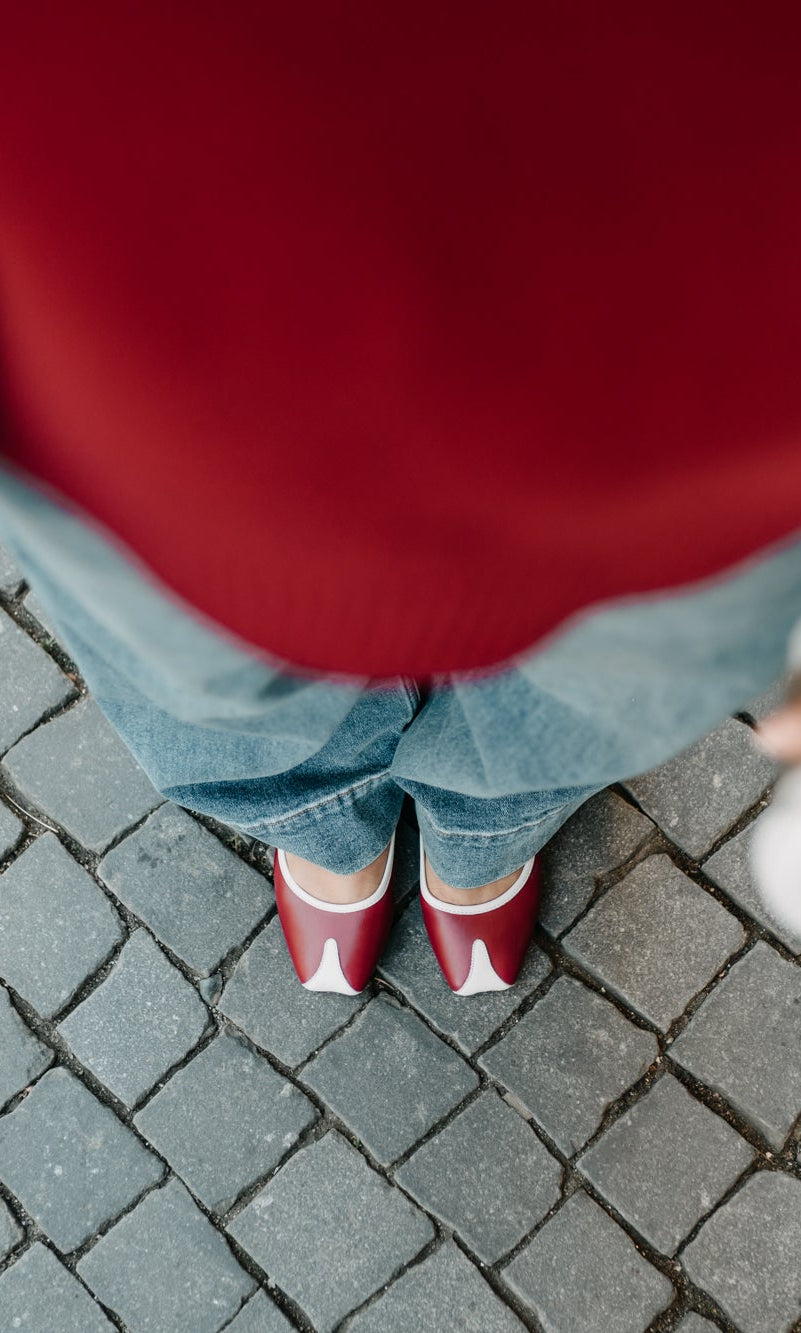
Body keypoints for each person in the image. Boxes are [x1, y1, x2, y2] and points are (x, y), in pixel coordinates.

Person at [2, 6, 801, 995]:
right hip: (133, 343)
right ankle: (318, 820)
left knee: (605, 698)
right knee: (208, 684)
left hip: (711, 416)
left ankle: (484, 829)